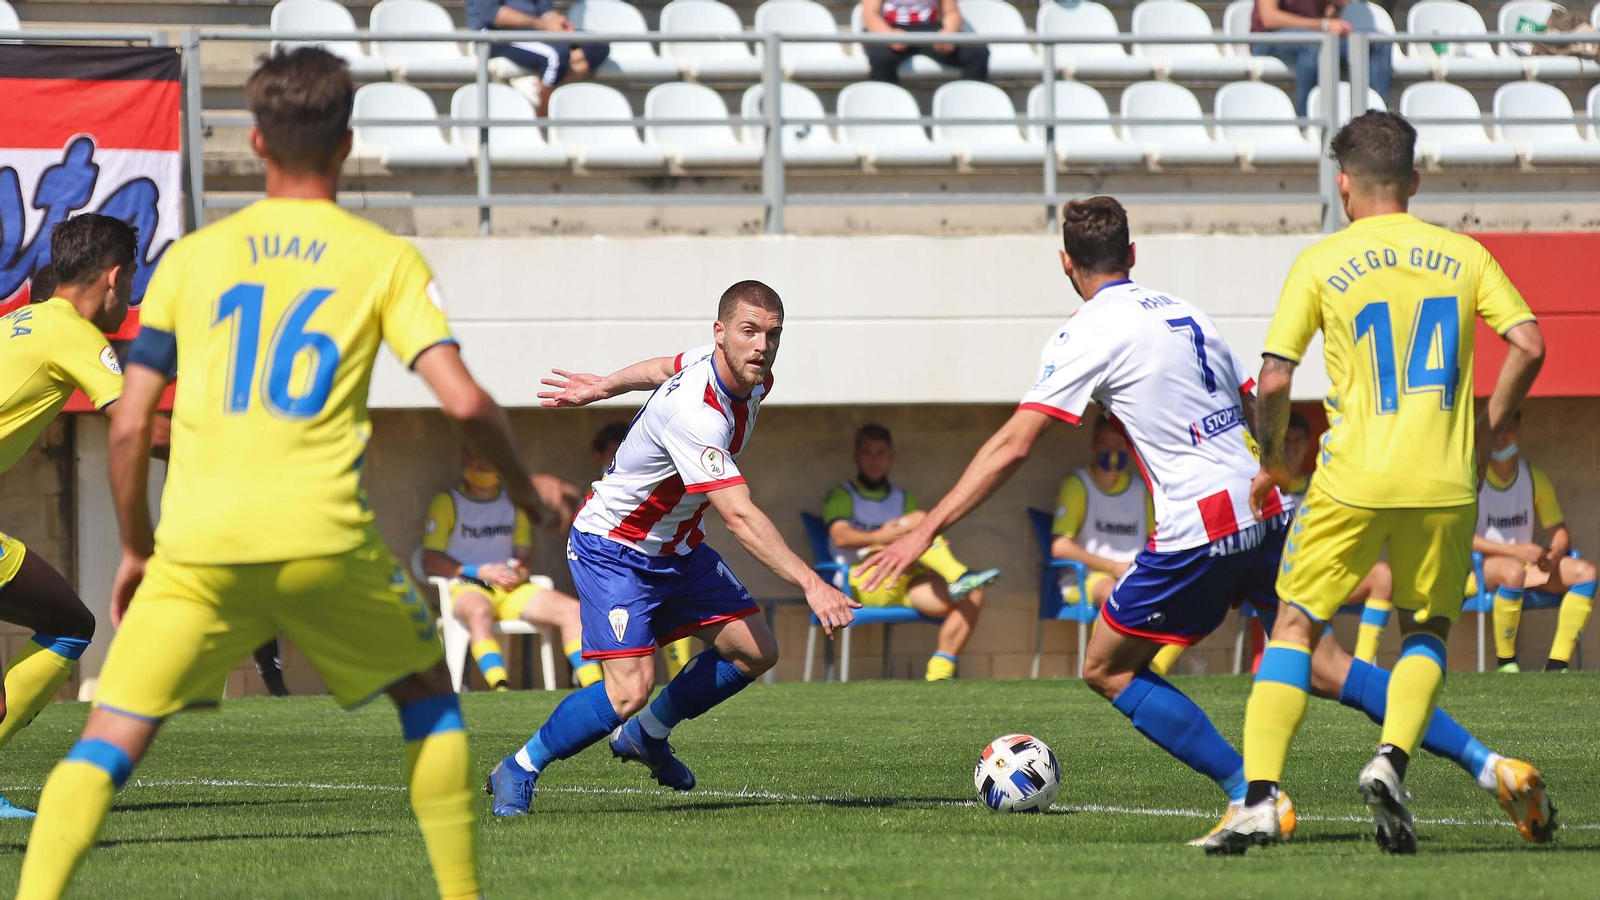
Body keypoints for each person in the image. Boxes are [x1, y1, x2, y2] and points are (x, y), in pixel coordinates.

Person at [859, 195, 1554, 851]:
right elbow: (1255, 404)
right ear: (1131, 251)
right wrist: (1279, 476)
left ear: (1066, 265)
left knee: (1106, 667)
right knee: (1327, 664)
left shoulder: (1088, 330)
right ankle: (1493, 767)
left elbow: (1015, 444)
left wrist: (926, 529)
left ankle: (1247, 795)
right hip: (1266, 507)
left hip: (1200, 524)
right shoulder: (1187, 311)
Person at [15, 48, 543, 900]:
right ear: (344, 145)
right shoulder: (385, 258)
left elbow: (126, 431)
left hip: (199, 549)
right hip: (327, 540)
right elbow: (467, 401)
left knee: (108, 738)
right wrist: (526, 490)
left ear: (256, 142)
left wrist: (138, 552)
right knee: (430, 702)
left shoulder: (194, 259)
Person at [1213, 111, 1550, 855]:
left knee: (1295, 627)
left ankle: (1262, 797)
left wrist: (1270, 456)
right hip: (1445, 478)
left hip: (1353, 478)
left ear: (1343, 185)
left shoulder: (1321, 260)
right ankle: (1392, 760)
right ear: (1415, 183)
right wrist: (1490, 424)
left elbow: (1273, 378)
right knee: (1424, 631)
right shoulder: (1463, 253)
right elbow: (1529, 342)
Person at [486, 281, 858, 816]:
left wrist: (604, 386)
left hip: (677, 547)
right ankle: (519, 767)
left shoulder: (745, 374)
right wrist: (812, 582)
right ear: (721, 332)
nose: (761, 346)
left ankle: (648, 735)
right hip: (614, 547)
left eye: (772, 335)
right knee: (626, 692)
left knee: (755, 651)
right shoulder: (697, 414)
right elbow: (739, 514)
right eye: (749, 331)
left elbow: (663, 365)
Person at [0, 215, 131, 819]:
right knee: (71, 625)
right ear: (112, 278)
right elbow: (135, 426)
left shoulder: (19, 322)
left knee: (66, 620)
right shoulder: (75, 332)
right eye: (128, 282)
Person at [823, 424, 999, 681]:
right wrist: (881, 537)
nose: (875, 460)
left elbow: (920, 536)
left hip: (904, 579)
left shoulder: (902, 497)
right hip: (862, 581)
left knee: (973, 594)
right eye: (868, 453)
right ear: (856, 456)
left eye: (881, 453)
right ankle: (959, 574)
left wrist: (915, 546)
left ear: (891, 456)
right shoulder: (841, 494)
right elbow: (840, 535)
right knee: (920, 521)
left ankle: (938, 675)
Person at [423, 449, 601, 690]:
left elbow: (524, 557)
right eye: (476, 455)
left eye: (489, 456)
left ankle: (594, 686)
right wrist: (480, 572)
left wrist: (518, 573)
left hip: (512, 589)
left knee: (572, 610)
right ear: (465, 459)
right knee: (478, 612)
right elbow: (430, 560)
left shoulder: (513, 504)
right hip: (469, 586)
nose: (483, 462)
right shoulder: (447, 502)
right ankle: (501, 687)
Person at [1049, 417, 1185, 674]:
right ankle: (1103, 669)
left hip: (1133, 575)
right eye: (1105, 444)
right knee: (1114, 593)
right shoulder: (1078, 485)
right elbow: (1060, 547)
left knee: (1185, 596)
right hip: (1085, 579)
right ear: (1093, 446)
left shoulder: (1139, 489)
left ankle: (1154, 667)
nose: (1112, 452)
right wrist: (1113, 566)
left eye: (1119, 445)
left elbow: (1156, 538)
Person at [1473, 410, 1596, 673]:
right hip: (1479, 569)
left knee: (1586, 573)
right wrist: (1515, 551)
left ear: (1519, 432)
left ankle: (1557, 665)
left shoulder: (1533, 478)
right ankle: (1506, 663)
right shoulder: (1473, 479)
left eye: (1509, 428)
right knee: (1512, 570)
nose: (1501, 437)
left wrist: (1553, 555)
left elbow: (1560, 531)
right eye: (1495, 429)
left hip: (1524, 569)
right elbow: (1461, 539)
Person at [1282, 412, 1395, 663]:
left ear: (1310, 444)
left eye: (1297, 440)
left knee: (1382, 575)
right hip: (1284, 582)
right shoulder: (1266, 490)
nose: (1291, 447)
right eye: (1285, 441)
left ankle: (1362, 667)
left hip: (1326, 575)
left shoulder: (1324, 486)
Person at [591, 421, 695, 677]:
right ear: (600, 456)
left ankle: (679, 686)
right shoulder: (601, 492)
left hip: (660, 563)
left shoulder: (651, 478)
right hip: (619, 571)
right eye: (613, 452)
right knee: (629, 663)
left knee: (676, 640)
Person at [465, 0, 609, 114]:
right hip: (495, 36)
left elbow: (545, 8)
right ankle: (542, 121)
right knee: (556, 57)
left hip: (534, 31)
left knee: (597, 46)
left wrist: (558, 22)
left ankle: (538, 84)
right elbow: (492, 14)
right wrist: (541, 24)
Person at [1251, 0, 1391, 116]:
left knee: (1378, 42)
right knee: (1314, 44)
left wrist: (1337, 6)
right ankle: (1309, 123)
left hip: (1314, 35)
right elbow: (1269, 18)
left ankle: (1377, 120)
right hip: (1268, 38)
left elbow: (1327, 18)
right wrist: (1323, 26)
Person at [860, 0, 988, 85]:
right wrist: (888, 34)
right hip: (889, 28)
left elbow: (952, 13)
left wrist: (949, 33)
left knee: (977, 52)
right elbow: (870, 15)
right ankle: (885, 112)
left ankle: (967, 108)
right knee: (881, 58)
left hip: (930, 29)